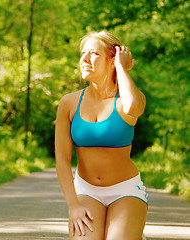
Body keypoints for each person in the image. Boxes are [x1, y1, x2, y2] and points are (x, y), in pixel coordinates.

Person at [55, 31, 148, 240]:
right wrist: (73, 206)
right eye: (83, 53)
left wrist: (122, 68)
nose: (85, 60)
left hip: (126, 190)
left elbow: (133, 106)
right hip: (86, 191)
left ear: (111, 59)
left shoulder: (126, 100)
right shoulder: (69, 103)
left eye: (94, 54)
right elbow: (61, 159)